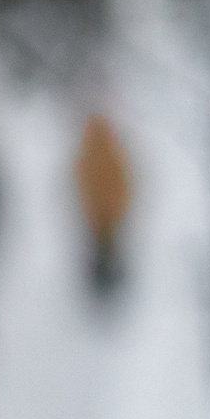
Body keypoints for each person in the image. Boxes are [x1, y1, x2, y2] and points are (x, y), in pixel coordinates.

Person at [74, 110, 133, 301]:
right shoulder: (104, 152)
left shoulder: (92, 153)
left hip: (104, 217)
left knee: (105, 247)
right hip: (104, 216)